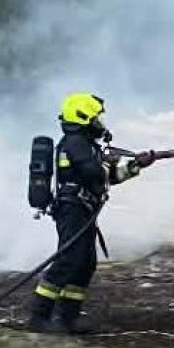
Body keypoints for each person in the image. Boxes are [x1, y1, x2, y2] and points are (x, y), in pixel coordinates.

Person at [26, 93, 151, 334]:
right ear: (84, 118)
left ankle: (67, 319)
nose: (100, 123)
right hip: (72, 209)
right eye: (96, 118)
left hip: (83, 209)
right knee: (68, 260)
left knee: (85, 263)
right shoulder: (75, 144)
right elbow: (95, 174)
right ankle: (39, 317)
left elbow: (107, 178)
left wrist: (136, 165)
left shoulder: (87, 146)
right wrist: (112, 162)